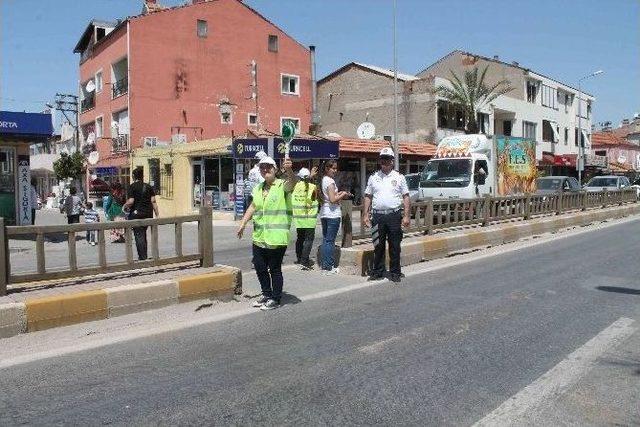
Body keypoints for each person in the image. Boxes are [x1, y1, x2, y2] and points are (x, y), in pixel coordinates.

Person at [236, 156, 296, 310]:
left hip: (276, 238)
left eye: (268, 167)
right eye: (262, 167)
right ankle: (266, 294)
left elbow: (292, 183)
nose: (265, 170)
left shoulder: (282, 185)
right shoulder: (258, 188)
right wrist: (243, 223)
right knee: (259, 266)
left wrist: (289, 170)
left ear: (275, 169)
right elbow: (253, 207)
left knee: (274, 269)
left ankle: (275, 298)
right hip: (259, 237)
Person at [363, 148, 411, 283]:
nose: (385, 161)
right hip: (377, 216)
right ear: (380, 160)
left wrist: (406, 216)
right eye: (382, 159)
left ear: (392, 160)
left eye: (387, 159)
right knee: (378, 245)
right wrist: (365, 215)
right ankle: (377, 271)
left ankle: (395, 272)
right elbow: (368, 196)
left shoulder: (399, 177)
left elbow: (406, 197)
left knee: (395, 245)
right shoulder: (373, 177)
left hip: (394, 216)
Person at [319, 159, 351, 275]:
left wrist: (340, 193)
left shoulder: (323, 180)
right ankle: (328, 267)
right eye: (333, 168)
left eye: (336, 168)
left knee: (326, 240)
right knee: (330, 241)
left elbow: (329, 197)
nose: (335, 170)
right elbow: (333, 200)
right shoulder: (330, 181)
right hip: (332, 214)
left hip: (324, 213)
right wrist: (342, 194)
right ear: (327, 168)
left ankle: (325, 265)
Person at [124, 167, 159, 260]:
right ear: (142, 176)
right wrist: (157, 215)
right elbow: (153, 201)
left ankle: (142, 258)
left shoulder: (132, 186)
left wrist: (124, 206)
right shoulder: (148, 186)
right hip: (148, 214)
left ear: (133, 176)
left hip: (136, 215)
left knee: (139, 236)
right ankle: (144, 255)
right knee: (143, 235)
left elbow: (131, 201)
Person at [292, 166, 319, 270]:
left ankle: (299, 258)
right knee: (308, 240)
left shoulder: (295, 186)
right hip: (309, 218)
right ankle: (304, 261)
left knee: (300, 239)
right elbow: (315, 198)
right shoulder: (313, 187)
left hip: (299, 218)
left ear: (299, 177)